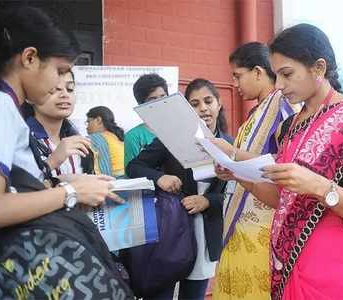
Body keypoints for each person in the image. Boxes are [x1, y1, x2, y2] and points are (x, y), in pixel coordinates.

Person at [214, 23, 343, 300]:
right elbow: (282, 198)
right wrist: (239, 174)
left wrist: (320, 186)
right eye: (276, 76)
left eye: (287, 74)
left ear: (319, 68)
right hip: (290, 264)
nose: (279, 86)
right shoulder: (289, 127)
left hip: (341, 274)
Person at [0, 6, 131, 299]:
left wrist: (63, 189)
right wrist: (68, 192)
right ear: (29, 58)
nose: (60, 86)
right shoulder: (1, 108)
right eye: (58, 71)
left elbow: (18, 192)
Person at [127, 78, 233, 300]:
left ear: (219, 103)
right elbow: (134, 166)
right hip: (171, 230)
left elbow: (235, 192)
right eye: (194, 104)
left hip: (206, 233)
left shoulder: (230, 144)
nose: (203, 108)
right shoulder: (170, 139)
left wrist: (208, 201)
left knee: (193, 296)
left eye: (208, 101)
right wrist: (159, 177)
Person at [213, 42, 295, 300]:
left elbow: (281, 164)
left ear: (258, 72)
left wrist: (232, 153)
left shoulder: (282, 107)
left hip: (263, 225)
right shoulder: (256, 113)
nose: (235, 85)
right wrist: (230, 169)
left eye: (238, 76)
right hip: (240, 220)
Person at [22, 70, 94, 177]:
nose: (65, 94)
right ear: (30, 97)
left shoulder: (76, 139)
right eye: (54, 89)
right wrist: (52, 162)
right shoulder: (19, 138)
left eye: (70, 89)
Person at [124, 73, 168, 171]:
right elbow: (132, 173)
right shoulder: (133, 137)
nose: (159, 103)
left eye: (163, 96)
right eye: (152, 99)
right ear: (141, 104)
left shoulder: (179, 128)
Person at [86, 106, 125, 178]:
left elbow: (105, 168)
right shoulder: (116, 136)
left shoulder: (95, 138)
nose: (86, 127)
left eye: (88, 122)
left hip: (115, 183)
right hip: (128, 180)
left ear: (98, 120)